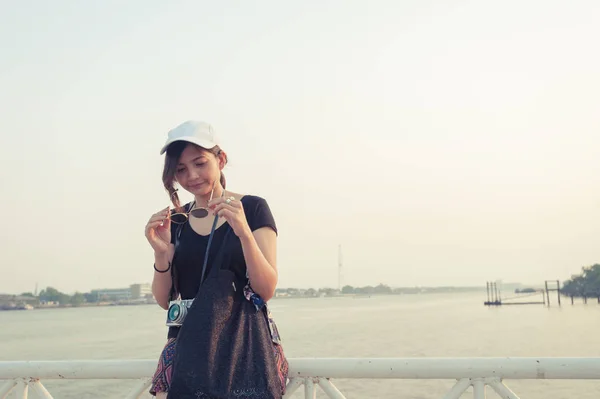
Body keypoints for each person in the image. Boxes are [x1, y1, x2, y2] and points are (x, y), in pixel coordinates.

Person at [144, 120, 286, 398]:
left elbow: (266, 289)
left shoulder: (253, 208)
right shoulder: (176, 221)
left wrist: (244, 233)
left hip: (244, 345)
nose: (192, 176)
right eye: (181, 169)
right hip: (188, 349)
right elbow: (165, 300)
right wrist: (162, 255)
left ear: (220, 159)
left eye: (200, 163)